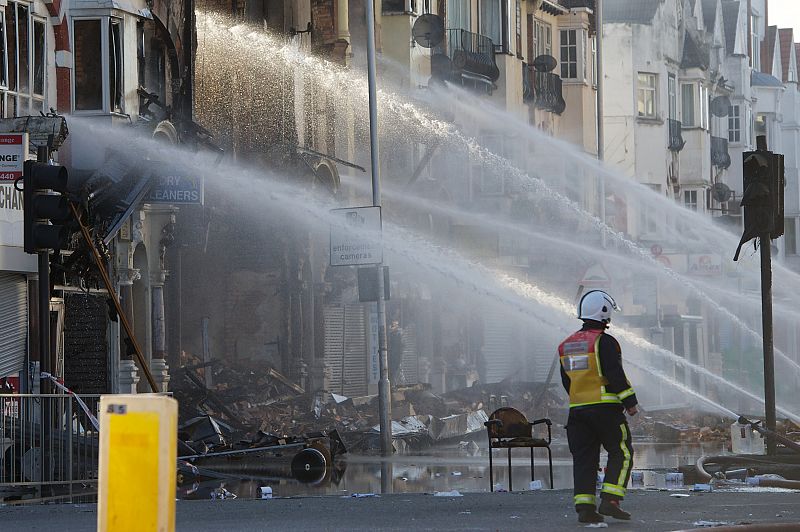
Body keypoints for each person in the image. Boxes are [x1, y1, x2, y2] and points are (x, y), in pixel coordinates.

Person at [557, 290, 638, 524]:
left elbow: (567, 381)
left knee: (584, 459)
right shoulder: (604, 341)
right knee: (622, 452)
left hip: (577, 413)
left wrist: (581, 398)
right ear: (604, 312)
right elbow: (615, 373)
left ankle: (585, 508)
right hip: (606, 411)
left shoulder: (566, 345)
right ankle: (611, 500)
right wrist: (630, 403)